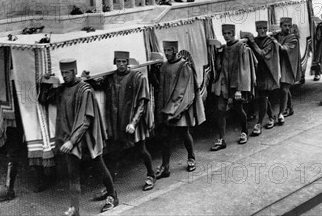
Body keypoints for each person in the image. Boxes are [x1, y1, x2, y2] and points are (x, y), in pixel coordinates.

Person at [38, 59, 118, 216]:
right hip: (70, 138)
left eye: (67, 72)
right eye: (63, 73)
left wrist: (72, 141)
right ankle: (75, 210)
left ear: (74, 71)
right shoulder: (62, 89)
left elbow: (86, 120)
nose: (65, 75)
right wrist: (44, 83)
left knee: (99, 166)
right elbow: (43, 100)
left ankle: (113, 195)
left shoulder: (85, 90)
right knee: (72, 174)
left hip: (87, 139)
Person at [94, 51, 155, 192]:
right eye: (119, 62)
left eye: (124, 62)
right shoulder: (112, 78)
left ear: (128, 62)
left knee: (141, 150)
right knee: (114, 153)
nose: (121, 65)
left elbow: (142, 103)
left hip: (133, 122)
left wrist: (133, 123)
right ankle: (110, 186)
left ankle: (151, 175)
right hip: (118, 123)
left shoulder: (137, 77)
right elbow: (99, 85)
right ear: (115, 62)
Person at [150, 42, 205, 177]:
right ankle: (166, 167)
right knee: (165, 137)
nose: (167, 53)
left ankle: (191, 157)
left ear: (175, 50)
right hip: (166, 108)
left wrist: (175, 110)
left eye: (169, 50)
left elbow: (183, 90)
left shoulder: (184, 66)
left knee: (184, 133)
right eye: (165, 50)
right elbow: (162, 88)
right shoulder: (164, 66)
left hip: (180, 109)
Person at [210, 24, 257, 150]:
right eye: (224, 34)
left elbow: (244, 69)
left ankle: (244, 131)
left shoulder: (241, 47)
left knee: (238, 109)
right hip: (224, 83)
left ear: (233, 33)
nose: (226, 36)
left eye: (229, 33)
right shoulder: (224, 48)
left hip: (236, 85)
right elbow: (220, 67)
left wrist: (239, 89)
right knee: (220, 110)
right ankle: (221, 139)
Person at [243, 21, 280, 136]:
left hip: (267, 73)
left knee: (263, 97)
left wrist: (252, 42)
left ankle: (259, 123)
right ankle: (272, 117)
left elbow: (262, 54)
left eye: (264, 28)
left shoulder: (270, 41)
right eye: (260, 28)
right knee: (262, 97)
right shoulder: (255, 40)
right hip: (257, 72)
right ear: (256, 29)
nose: (262, 30)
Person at [273, 17, 302, 118]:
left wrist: (273, 41)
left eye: (289, 26)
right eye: (285, 26)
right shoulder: (278, 35)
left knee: (284, 89)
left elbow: (283, 49)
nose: (287, 28)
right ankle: (290, 108)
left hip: (289, 67)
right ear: (280, 26)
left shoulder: (293, 38)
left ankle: (281, 112)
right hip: (280, 65)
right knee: (283, 88)